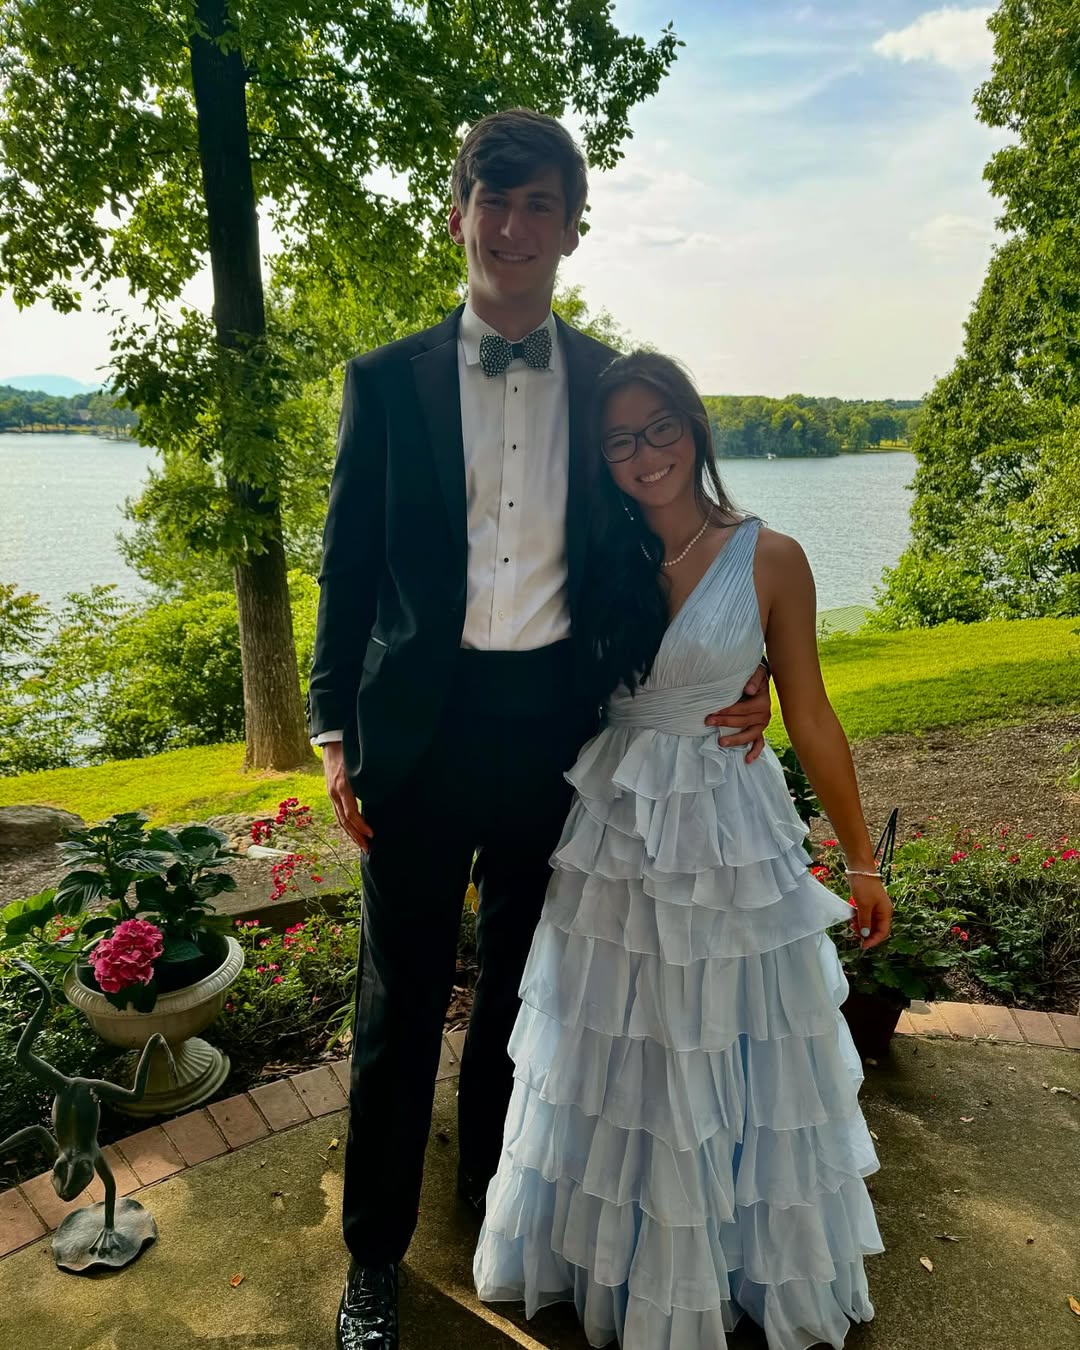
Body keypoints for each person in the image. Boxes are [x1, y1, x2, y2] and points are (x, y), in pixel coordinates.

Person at [307, 111, 774, 1350]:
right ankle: (373, 1259)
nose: (513, 228)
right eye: (493, 201)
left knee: (530, 994)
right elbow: (347, 569)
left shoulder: (608, 385)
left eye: (540, 207)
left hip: (561, 739)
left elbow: (663, 544)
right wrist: (332, 730)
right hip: (416, 737)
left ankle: (495, 1209)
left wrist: (744, 669)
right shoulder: (383, 381)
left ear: (572, 228)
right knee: (400, 1006)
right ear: (458, 212)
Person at [473, 351, 893, 1349]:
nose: (645, 454)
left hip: (726, 821)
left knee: (728, 1033)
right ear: (602, 456)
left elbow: (812, 712)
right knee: (618, 1042)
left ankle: (732, 1264)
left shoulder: (771, 557)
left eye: (660, 428)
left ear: (694, 427)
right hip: (615, 826)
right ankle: (624, 1262)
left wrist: (861, 859)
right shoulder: (589, 557)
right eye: (620, 439)